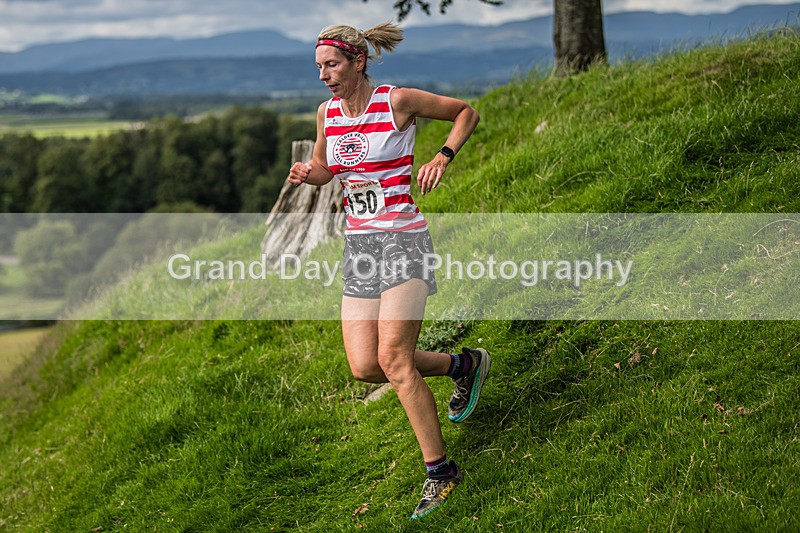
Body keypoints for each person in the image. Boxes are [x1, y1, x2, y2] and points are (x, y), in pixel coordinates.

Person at [287, 21, 490, 520]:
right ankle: (463, 365)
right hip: (360, 247)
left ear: (358, 61)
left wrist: (442, 155)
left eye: (331, 65)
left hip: (403, 240)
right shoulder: (327, 113)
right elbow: (327, 168)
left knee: (395, 359)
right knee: (365, 366)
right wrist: (309, 174)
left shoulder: (396, 101)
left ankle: (441, 473)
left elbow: (466, 112)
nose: (323, 76)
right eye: (319, 68)